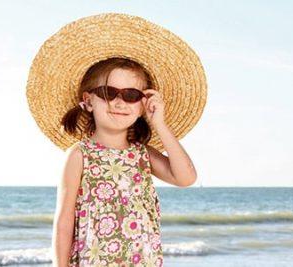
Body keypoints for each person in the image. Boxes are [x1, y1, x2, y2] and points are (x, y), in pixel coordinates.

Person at [24, 13, 207, 266]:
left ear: (143, 104)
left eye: (131, 94)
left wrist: (160, 124)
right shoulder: (80, 155)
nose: (120, 102)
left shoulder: (143, 154)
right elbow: (64, 221)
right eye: (109, 93)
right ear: (88, 101)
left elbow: (186, 177)